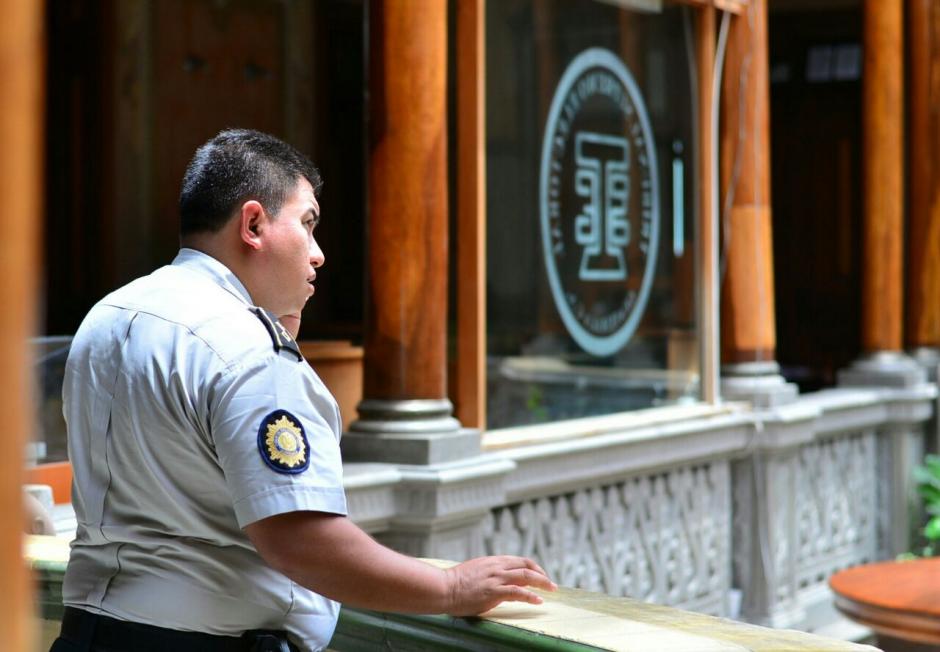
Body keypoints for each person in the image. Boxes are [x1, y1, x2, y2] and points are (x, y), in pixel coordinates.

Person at [51, 129, 555, 652]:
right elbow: (298, 539)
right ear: (253, 224)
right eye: (308, 224)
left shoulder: (109, 315)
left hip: (87, 633)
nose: (318, 255)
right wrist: (449, 588)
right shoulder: (247, 346)